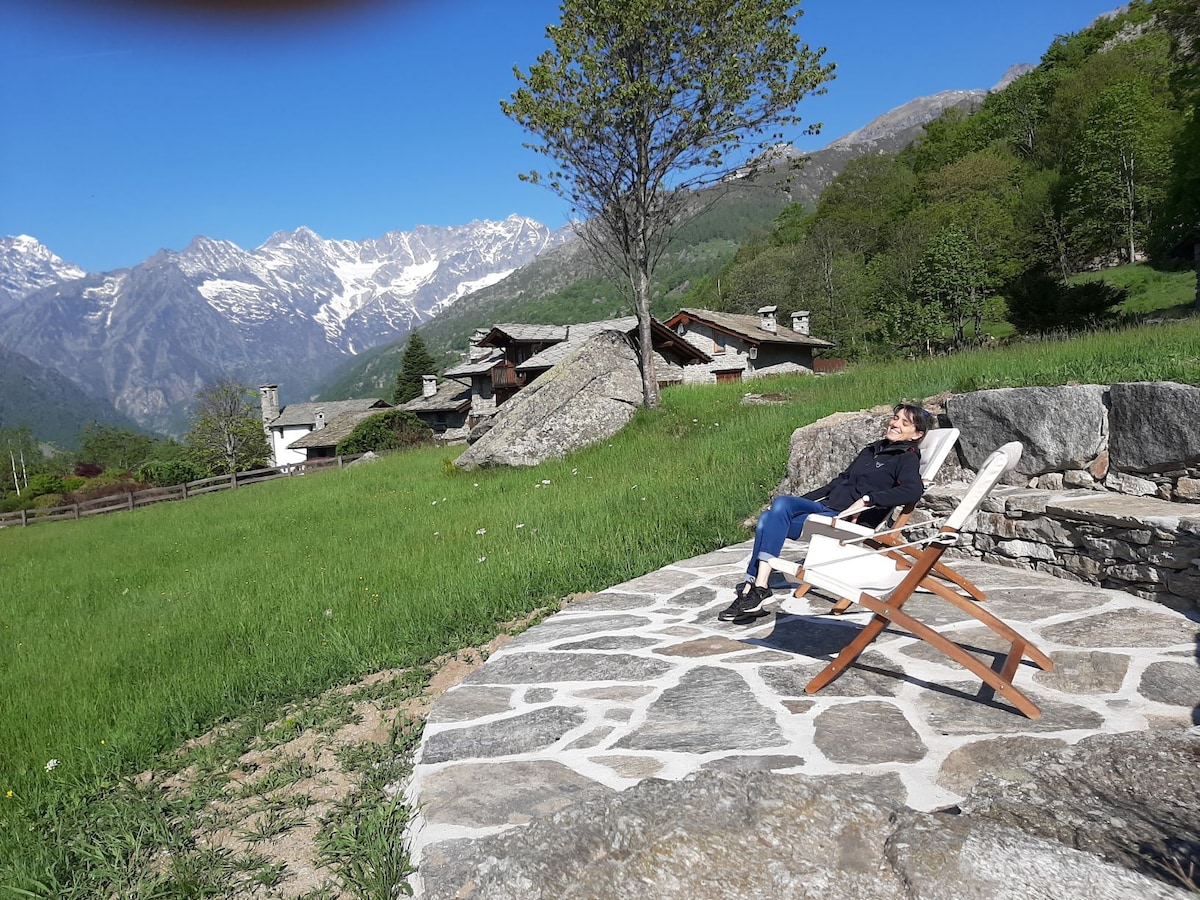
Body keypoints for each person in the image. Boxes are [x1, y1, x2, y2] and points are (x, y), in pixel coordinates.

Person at [719, 402, 936, 622]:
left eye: (904, 422)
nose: (895, 423)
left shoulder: (906, 458)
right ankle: (759, 588)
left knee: (767, 519)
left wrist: (869, 499)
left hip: (845, 521)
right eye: (895, 418)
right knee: (781, 504)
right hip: (827, 507)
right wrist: (789, 506)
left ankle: (753, 586)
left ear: (916, 434)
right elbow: (839, 482)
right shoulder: (872, 449)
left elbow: (913, 490)